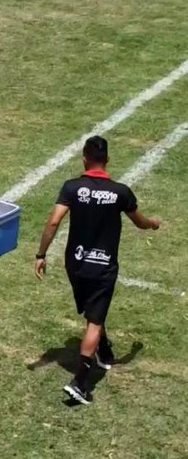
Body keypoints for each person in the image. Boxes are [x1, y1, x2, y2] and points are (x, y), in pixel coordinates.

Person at [35, 136, 160, 405]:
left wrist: (41, 254)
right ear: (108, 160)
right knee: (94, 320)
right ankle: (80, 381)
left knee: (92, 311)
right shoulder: (121, 192)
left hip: (75, 264)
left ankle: (103, 349)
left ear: (84, 158)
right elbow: (140, 222)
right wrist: (153, 224)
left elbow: (54, 221)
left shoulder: (71, 187)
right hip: (102, 266)